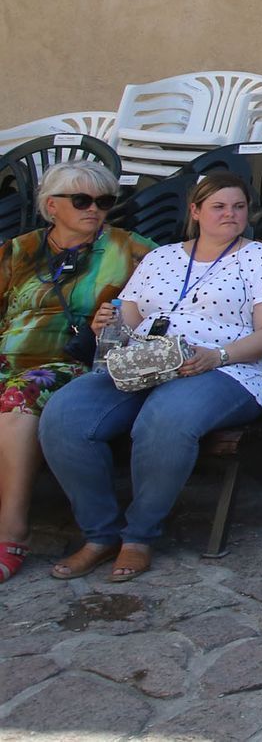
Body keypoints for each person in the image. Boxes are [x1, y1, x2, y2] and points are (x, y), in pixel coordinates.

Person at [39, 171, 262, 582]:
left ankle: (139, 536)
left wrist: (217, 356)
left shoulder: (260, 258)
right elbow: (132, 313)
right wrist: (109, 319)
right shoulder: (162, 257)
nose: (230, 214)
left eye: (239, 206)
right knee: (65, 415)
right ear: (195, 211)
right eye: (218, 206)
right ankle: (99, 534)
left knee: (165, 420)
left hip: (225, 369)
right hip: (145, 364)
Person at [0, 162, 154, 582]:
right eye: (82, 200)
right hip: (8, 358)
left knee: (20, 397)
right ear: (52, 206)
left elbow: (175, 292)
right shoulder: (18, 251)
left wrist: (121, 319)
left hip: (70, 365)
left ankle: (10, 531)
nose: (95, 210)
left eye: (104, 202)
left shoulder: (129, 248)